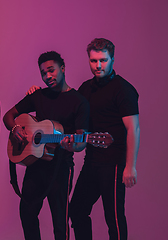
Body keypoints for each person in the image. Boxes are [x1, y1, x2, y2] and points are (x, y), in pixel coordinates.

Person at [3, 51, 90, 240]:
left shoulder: (79, 102)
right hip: (36, 165)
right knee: (27, 213)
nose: (47, 76)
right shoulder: (38, 96)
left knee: (60, 222)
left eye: (51, 70)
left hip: (61, 168)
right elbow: (8, 116)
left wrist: (71, 146)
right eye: (43, 73)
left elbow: (81, 141)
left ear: (63, 69)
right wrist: (15, 128)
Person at [69, 38, 140, 240]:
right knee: (77, 210)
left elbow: (133, 128)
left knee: (114, 218)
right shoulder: (85, 89)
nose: (98, 65)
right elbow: (71, 115)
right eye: (93, 61)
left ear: (112, 60)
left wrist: (130, 166)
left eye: (103, 60)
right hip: (91, 161)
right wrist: (37, 92)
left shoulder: (124, 90)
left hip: (115, 164)